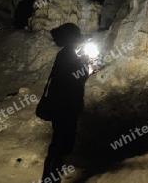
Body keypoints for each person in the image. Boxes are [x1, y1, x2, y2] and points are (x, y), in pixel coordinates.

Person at [41, 23, 96, 182]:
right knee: (61, 145)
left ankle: (50, 177)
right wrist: (87, 64)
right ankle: (52, 179)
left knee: (57, 143)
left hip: (61, 104)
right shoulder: (69, 55)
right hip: (66, 106)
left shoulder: (65, 54)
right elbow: (78, 79)